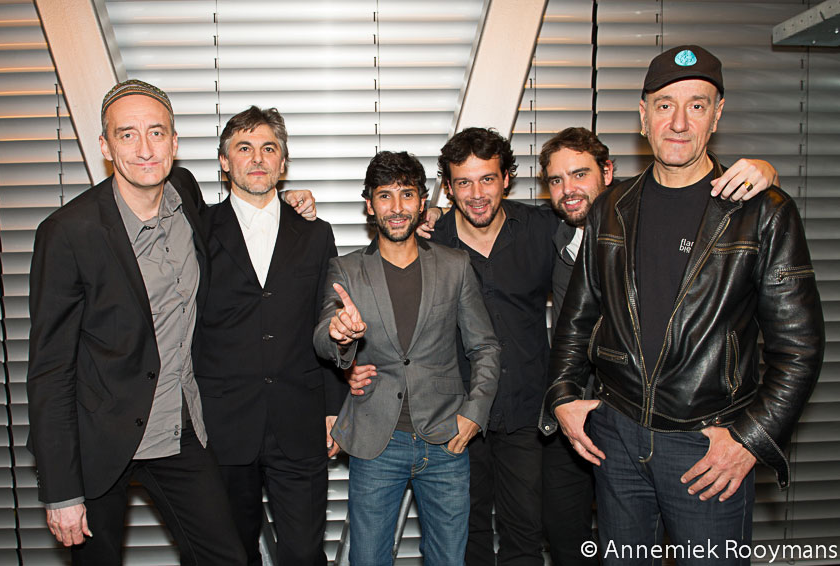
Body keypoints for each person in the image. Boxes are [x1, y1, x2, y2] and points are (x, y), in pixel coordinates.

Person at [350, 127, 777, 565]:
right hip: (454, 413)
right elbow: (379, 297)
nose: (476, 194)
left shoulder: (542, 229)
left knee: (525, 536)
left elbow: (616, 210)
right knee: (462, 540)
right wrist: (356, 366)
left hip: (527, 415)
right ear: (448, 187)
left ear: (506, 179)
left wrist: (764, 172)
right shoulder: (429, 239)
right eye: (463, 182)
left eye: (488, 179)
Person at [542, 45, 824, 565]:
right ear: (643, 114)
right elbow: (578, 319)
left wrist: (750, 438)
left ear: (717, 115)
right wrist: (563, 396)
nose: (678, 122)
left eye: (697, 105)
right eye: (665, 105)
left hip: (708, 448)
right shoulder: (611, 208)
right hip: (617, 440)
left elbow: (799, 348)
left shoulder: (763, 213)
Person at [26, 79, 247, 564]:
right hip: (98, 438)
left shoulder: (184, 192)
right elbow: (50, 370)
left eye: (156, 132)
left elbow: (227, 226)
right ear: (105, 146)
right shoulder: (68, 234)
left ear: (174, 141)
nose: (145, 149)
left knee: (226, 557)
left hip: (177, 426)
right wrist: (61, 492)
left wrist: (283, 206)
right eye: (127, 134)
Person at [313, 151, 500, 565]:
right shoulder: (346, 270)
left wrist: (474, 413)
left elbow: (485, 346)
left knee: (448, 559)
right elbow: (325, 334)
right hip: (377, 441)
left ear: (422, 201)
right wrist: (339, 336)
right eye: (385, 196)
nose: (396, 207)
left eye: (407, 195)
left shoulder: (454, 265)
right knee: (368, 559)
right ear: (369, 205)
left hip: (447, 439)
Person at [193, 106, 344, 566]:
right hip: (221, 426)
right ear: (224, 161)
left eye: (268, 148)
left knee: (303, 554)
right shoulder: (195, 230)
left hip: (300, 422)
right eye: (244, 148)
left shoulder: (316, 234)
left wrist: (334, 408)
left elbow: (329, 319)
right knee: (229, 555)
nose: (257, 158)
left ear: (283, 162)